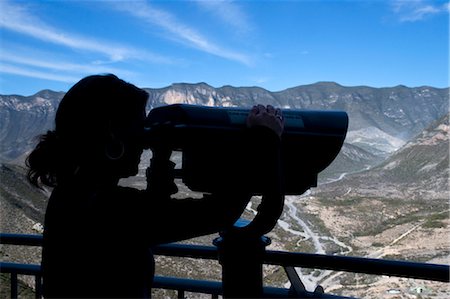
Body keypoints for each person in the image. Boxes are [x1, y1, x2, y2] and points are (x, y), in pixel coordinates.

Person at [26, 74, 284, 298]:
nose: (145, 140)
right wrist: (265, 139)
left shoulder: (74, 193)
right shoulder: (106, 207)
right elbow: (220, 211)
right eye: (140, 125)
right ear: (112, 133)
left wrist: (161, 156)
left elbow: (149, 212)